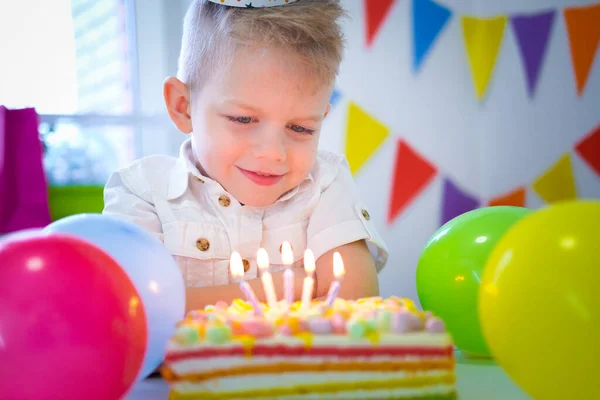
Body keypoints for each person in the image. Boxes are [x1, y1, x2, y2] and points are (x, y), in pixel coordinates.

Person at [103, 0, 388, 312]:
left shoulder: (323, 184)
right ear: (183, 106)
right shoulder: (143, 191)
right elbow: (134, 308)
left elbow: (355, 301)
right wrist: (286, 284)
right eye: (243, 120)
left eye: (300, 128)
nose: (272, 153)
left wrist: (185, 302)